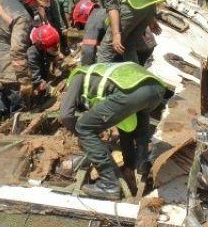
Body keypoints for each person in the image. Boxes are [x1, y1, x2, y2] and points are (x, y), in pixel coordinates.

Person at [59, 62, 170, 200]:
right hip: (155, 90)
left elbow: (65, 115)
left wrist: (82, 135)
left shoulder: (76, 76)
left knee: (84, 127)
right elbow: (127, 128)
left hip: (130, 92)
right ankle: (139, 165)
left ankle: (109, 184)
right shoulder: (99, 73)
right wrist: (128, 162)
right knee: (135, 121)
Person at [0, 0, 50, 129]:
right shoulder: (23, 17)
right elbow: (17, 49)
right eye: (38, 1)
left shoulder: (3, 0)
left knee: (1, 94)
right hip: (8, 61)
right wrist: (25, 80)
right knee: (19, 101)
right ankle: (14, 136)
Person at [27, 24, 60, 98]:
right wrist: (48, 88)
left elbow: (54, 55)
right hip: (30, 81)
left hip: (42, 72)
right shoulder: (32, 54)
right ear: (41, 45)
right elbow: (36, 79)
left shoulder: (46, 44)